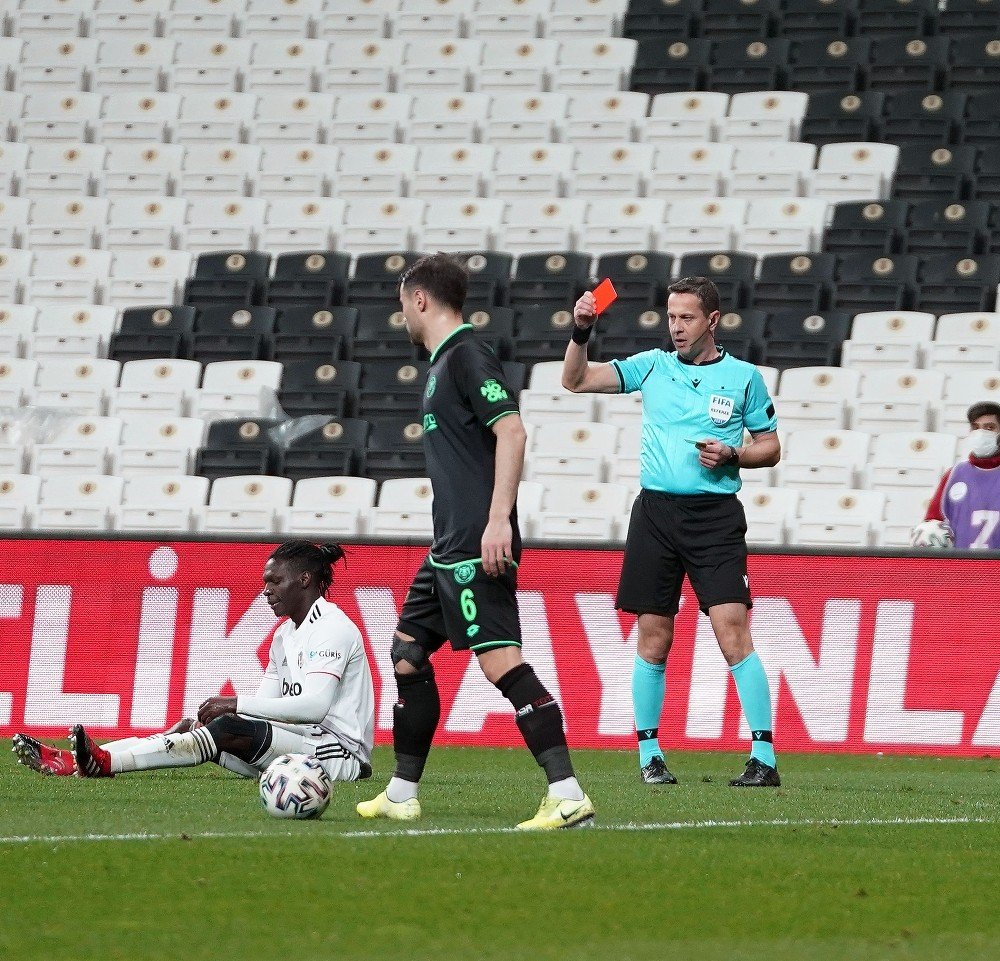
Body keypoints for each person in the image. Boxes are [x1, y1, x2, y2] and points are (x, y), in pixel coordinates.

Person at [356, 253, 594, 830]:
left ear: (420, 301)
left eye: (402, 305)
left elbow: (511, 429)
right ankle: (402, 792)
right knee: (408, 654)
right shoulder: (442, 363)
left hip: (474, 540)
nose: (402, 318)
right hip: (446, 545)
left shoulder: (466, 355)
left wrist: (497, 521)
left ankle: (567, 794)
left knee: (500, 663)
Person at [562, 276, 782, 787]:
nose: (676, 327)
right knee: (653, 637)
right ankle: (649, 755)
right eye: (670, 317)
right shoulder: (652, 367)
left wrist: (735, 454)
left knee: (732, 629)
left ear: (713, 321)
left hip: (715, 517)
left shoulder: (744, 376)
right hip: (656, 516)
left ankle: (764, 758)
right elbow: (575, 381)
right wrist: (580, 331)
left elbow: (770, 446)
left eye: (686, 318)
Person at [13, 542, 376, 786]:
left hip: (340, 756)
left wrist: (233, 705)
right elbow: (267, 712)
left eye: (274, 581)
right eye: (265, 582)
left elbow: (314, 707)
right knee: (206, 727)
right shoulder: (285, 637)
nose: (265, 590)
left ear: (304, 579)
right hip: (303, 746)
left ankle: (105, 764)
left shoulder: (332, 627)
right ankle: (80, 761)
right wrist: (217, 719)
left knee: (227, 726)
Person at [924, 401, 1000, 549]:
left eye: (989, 428)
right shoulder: (953, 475)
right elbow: (932, 524)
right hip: (960, 568)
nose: (981, 433)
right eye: (975, 427)